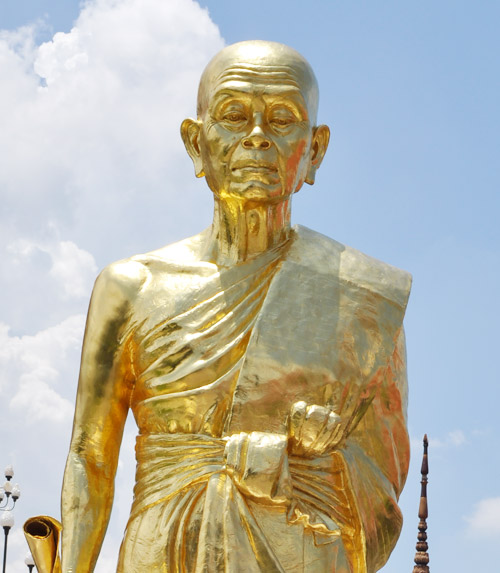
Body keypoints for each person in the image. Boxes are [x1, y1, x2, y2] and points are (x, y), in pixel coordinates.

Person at [60, 41, 411, 572]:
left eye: (282, 119)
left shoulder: (364, 296)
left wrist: (323, 454)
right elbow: (89, 455)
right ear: (196, 142)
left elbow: (385, 488)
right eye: (233, 116)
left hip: (301, 548)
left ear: (315, 150)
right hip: (161, 548)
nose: (257, 137)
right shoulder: (131, 288)